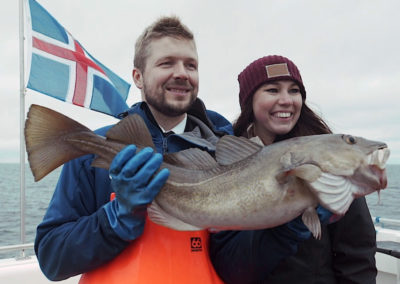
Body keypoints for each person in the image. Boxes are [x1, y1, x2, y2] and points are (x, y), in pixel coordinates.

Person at [34, 16, 233, 283]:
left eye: (191, 65)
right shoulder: (93, 149)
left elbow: (240, 263)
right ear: (138, 77)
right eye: (166, 63)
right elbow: (51, 258)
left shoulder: (222, 152)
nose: (182, 73)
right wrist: (115, 218)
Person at [209, 55, 377, 284]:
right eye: (272, 90)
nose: (286, 100)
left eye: (294, 90)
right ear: (249, 101)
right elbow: (230, 266)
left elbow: (357, 257)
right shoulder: (226, 167)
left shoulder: (331, 163)